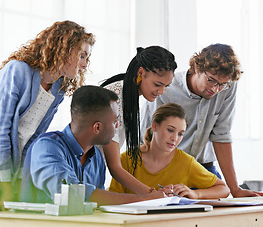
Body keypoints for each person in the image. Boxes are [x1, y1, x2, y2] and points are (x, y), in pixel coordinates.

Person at [0, 20, 95, 227]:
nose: (85, 64)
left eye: (87, 57)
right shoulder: (18, 71)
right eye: (82, 55)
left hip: (9, 173)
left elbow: (34, 140)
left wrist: (19, 183)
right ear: (64, 49)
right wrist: (6, 187)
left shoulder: (57, 89)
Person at [141, 43, 263, 197]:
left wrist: (235, 189)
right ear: (196, 68)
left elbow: (221, 135)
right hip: (168, 168)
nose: (215, 89)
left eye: (221, 84)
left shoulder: (227, 86)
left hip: (204, 169)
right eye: (211, 80)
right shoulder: (165, 89)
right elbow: (144, 135)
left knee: (220, 211)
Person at [20, 86, 165, 206]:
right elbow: (72, 195)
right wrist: (145, 199)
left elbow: (96, 206)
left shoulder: (96, 157)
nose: (118, 126)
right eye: (115, 121)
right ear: (97, 128)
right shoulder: (46, 147)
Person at [109, 103, 230, 199]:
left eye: (180, 134)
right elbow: (112, 198)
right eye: (170, 130)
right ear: (155, 126)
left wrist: (196, 194)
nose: (175, 138)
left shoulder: (185, 162)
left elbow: (224, 189)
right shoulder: (126, 159)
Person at [100, 46, 177, 194]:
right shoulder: (114, 97)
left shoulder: (128, 93)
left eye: (166, 86)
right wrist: (152, 194)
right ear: (141, 72)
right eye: (157, 85)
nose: (161, 92)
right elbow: (115, 167)